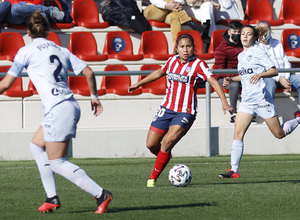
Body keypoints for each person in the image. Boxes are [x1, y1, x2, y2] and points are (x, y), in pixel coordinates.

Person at [0, 11, 112, 213]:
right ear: (48, 30)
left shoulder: (25, 51)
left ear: (28, 32)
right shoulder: (61, 49)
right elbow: (88, 71)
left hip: (58, 109)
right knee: (36, 145)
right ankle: (51, 197)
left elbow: (6, 83)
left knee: (58, 162)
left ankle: (101, 194)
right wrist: (94, 96)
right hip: (69, 105)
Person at [129, 33, 233, 187]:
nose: (185, 50)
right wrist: (139, 84)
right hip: (166, 108)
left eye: (189, 46)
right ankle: (165, 157)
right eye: (182, 47)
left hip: (186, 111)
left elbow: (214, 82)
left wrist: (224, 102)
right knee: (151, 144)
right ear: (176, 49)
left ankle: (152, 179)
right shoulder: (171, 61)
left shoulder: (198, 64)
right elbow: (159, 72)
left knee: (166, 142)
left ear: (193, 48)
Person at [218, 25, 300, 178]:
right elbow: (245, 76)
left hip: (262, 100)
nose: (245, 36)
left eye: (249, 34)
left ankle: (298, 119)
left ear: (255, 38)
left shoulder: (258, 52)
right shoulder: (241, 55)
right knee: (237, 133)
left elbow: (274, 70)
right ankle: (234, 171)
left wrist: (261, 75)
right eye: (243, 34)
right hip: (247, 101)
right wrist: (231, 79)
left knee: (279, 134)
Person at [257, 20, 300, 117]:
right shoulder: (256, 47)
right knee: (270, 85)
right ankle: (269, 113)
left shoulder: (277, 43)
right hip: (269, 76)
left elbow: (286, 61)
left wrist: (285, 78)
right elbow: (263, 69)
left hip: (285, 75)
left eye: (267, 29)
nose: (265, 32)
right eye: (262, 29)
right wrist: (280, 79)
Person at [142, 0, 210, 48]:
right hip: (150, 11)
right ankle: (187, 21)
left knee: (175, 18)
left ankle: (177, 47)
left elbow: (181, 1)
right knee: (169, 0)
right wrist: (167, 5)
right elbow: (155, 1)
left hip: (168, 11)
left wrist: (178, 4)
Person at [214, 20, 243, 123]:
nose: (237, 34)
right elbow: (219, 69)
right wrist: (229, 78)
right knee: (234, 85)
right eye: (235, 31)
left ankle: (249, 111)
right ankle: (234, 113)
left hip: (238, 76)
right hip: (222, 76)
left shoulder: (244, 45)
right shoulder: (221, 48)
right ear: (229, 32)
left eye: (239, 32)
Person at [4, 0, 70, 25]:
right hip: (16, 16)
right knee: (16, 7)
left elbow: (39, 1)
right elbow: (8, 2)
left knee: (41, 16)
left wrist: (27, 7)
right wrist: (25, 4)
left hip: (32, 13)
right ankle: (49, 10)